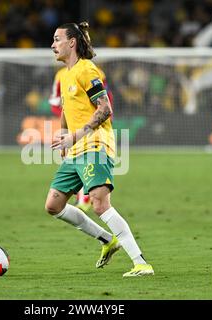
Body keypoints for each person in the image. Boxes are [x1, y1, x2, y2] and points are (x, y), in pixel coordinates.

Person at [45, 22, 154, 277]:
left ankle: (141, 263)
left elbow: (105, 108)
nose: (53, 45)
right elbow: (67, 109)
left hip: (95, 143)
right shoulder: (66, 74)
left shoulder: (86, 69)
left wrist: (76, 135)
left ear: (72, 42)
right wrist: (63, 134)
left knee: (99, 203)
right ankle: (108, 239)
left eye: (57, 39)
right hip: (76, 149)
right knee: (53, 204)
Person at [49, 66, 113, 213]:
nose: (54, 46)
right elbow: (56, 103)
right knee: (78, 162)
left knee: (89, 161)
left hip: (92, 129)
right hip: (74, 130)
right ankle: (84, 196)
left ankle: (87, 197)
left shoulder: (93, 72)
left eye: (58, 41)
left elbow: (105, 99)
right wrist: (68, 122)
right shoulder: (61, 76)